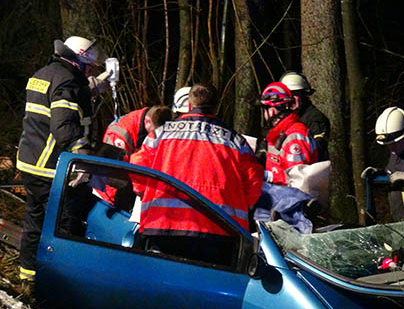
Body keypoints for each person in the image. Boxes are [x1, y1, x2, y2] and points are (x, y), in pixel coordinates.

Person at [129, 83, 263, 265]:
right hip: (219, 231)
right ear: (217, 106)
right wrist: (241, 203)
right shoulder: (235, 141)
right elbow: (254, 180)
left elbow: (137, 165)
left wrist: (145, 192)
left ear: (190, 105)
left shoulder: (160, 134)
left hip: (164, 225)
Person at [16, 36, 109, 286]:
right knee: (64, 225)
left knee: (35, 220)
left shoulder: (45, 72)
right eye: (89, 66)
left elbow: (63, 98)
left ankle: (28, 278)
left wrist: (93, 87)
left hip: (30, 162)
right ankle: (60, 286)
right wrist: (84, 159)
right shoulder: (67, 81)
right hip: (50, 167)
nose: (91, 70)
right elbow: (64, 127)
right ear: (78, 60)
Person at [260, 81, 319, 185]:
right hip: (281, 197)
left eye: (265, 110)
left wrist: (269, 177)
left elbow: (298, 181)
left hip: (292, 199)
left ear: (272, 111)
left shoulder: (294, 137)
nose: (264, 115)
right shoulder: (277, 135)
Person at [102, 105, 172, 161]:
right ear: (147, 121)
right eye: (155, 131)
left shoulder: (149, 116)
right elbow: (116, 171)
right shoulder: (118, 136)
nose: (157, 135)